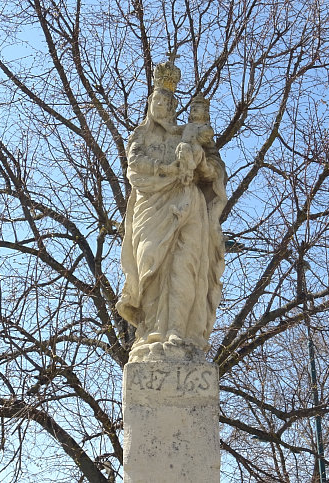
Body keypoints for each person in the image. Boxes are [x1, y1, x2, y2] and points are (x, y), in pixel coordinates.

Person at [116, 61, 227, 361]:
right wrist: (166, 169)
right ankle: (150, 333)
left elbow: (215, 171)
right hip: (151, 210)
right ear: (150, 104)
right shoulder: (139, 137)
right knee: (150, 265)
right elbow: (134, 170)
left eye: (168, 102)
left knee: (186, 266)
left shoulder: (187, 133)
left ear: (175, 106)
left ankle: (179, 332)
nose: (162, 106)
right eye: (157, 100)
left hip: (189, 206)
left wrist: (197, 159)